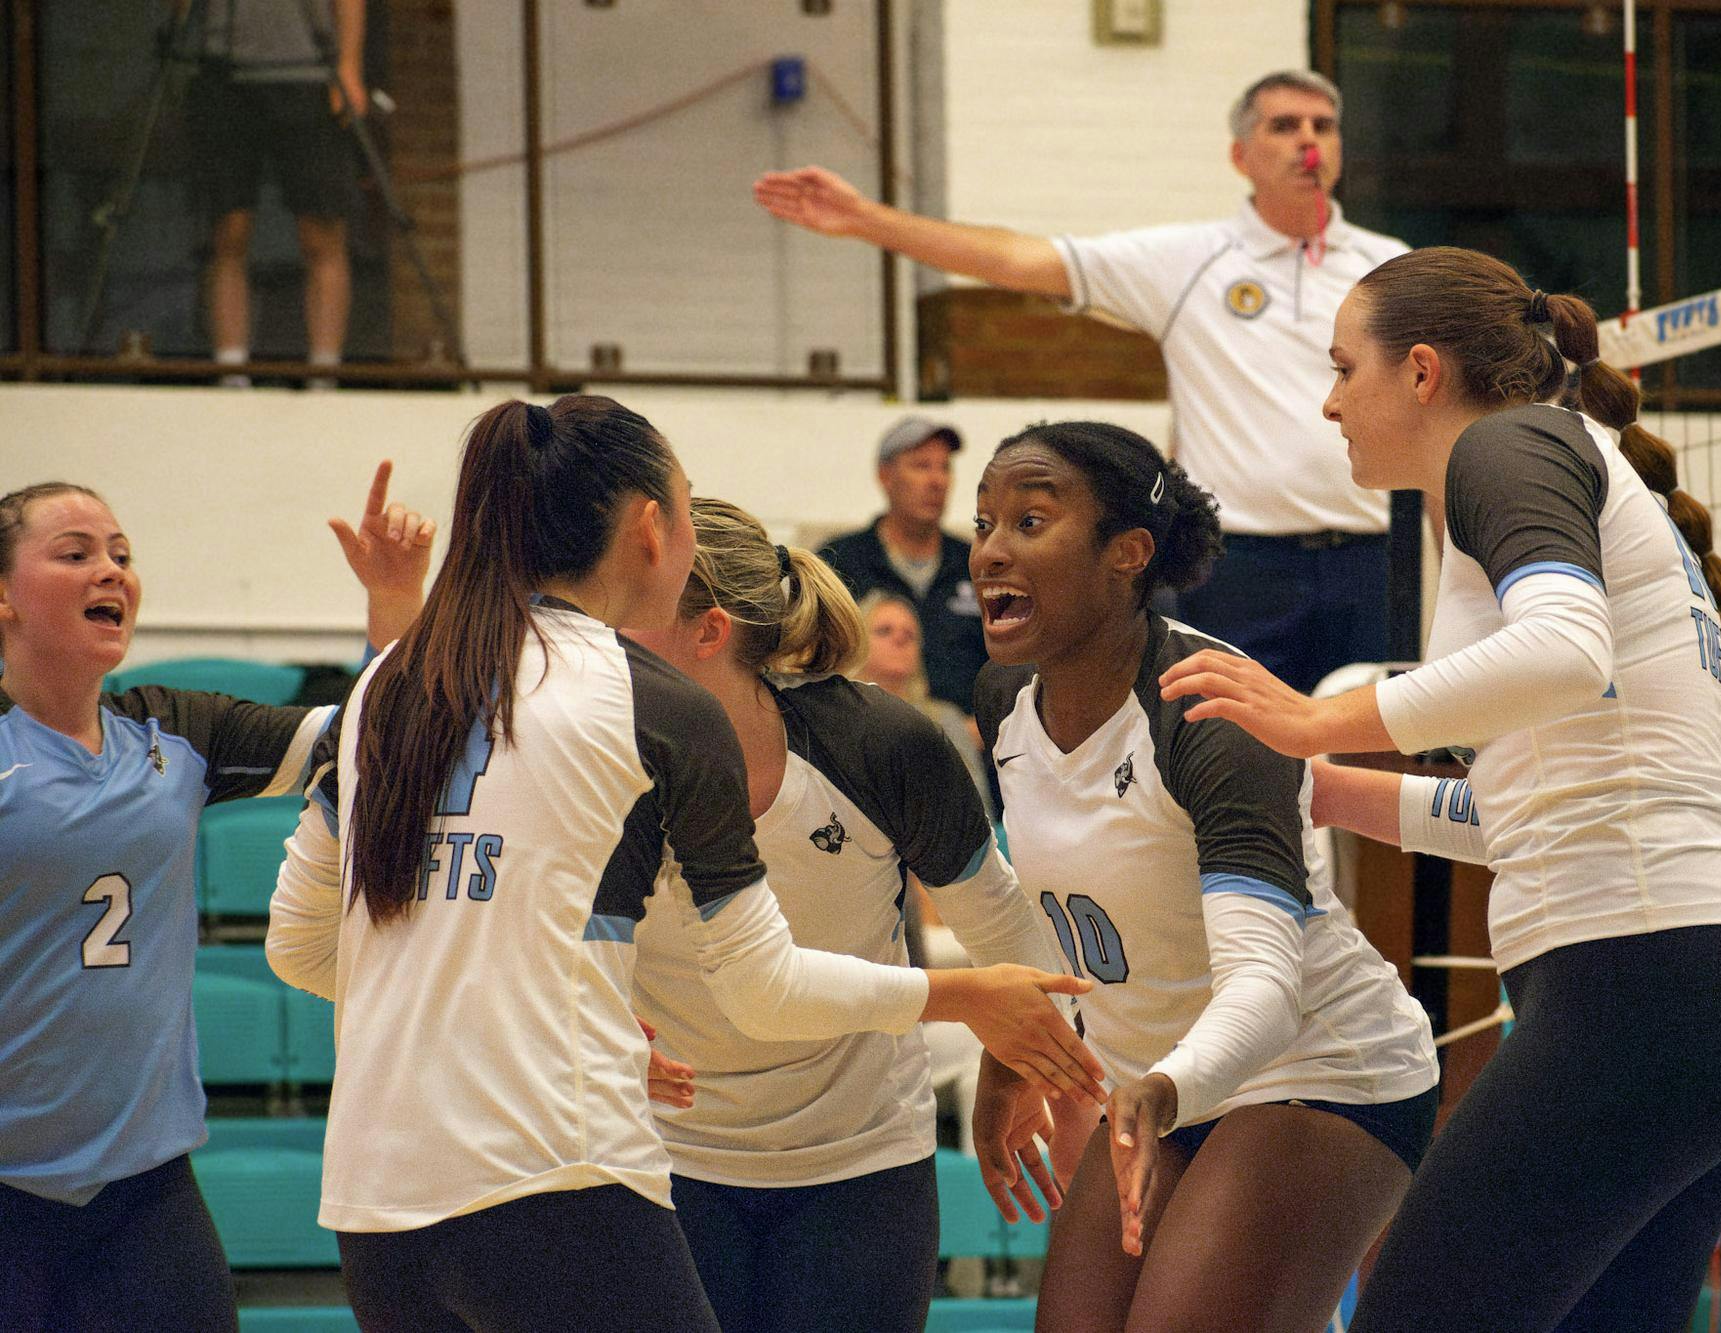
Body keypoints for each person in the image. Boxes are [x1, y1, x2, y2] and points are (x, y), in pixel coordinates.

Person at [263, 396, 1097, 1333]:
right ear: (652, 529)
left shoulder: (393, 678)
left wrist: (567, 1017)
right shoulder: (639, 705)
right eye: (688, 505)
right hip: (569, 1175)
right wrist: (967, 999)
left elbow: (304, 948)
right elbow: (760, 989)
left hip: (382, 1203)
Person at [1160, 248, 1721, 1331]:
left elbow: (1565, 653)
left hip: (1643, 988)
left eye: (1340, 367)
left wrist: (1312, 714)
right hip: (1711, 987)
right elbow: (1532, 810)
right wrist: (1323, 788)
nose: (1326, 401)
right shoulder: (1552, 459)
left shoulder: (1506, 446)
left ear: (1419, 371)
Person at [966, 421, 1440, 1330]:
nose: (990, 550)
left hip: (1319, 1068)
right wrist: (1007, 1061)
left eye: (1029, 522)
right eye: (985, 522)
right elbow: (1045, 915)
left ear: (1127, 553)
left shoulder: (1210, 713)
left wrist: (1162, 1085)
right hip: (1158, 1083)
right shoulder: (1005, 703)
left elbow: (1267, 985)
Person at [758, 70, 1409, 695]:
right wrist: (869, 220)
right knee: (1233, 749)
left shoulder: (1387, 266)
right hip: (1240, 565)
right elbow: (1022, 260)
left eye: (1323, 126)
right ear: (1240, 155)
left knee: (1370, 749)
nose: (1308, 141)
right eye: (1285, 125)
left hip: (1372, 557)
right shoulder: (1192, 259)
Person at [620, 498, 1081, 1333]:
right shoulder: (597, 763)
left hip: (862, 1169)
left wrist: (1008, 1067)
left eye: (626, 615)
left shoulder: (881, 743)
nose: (601, 644)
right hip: (667, 1164)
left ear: (709, 632)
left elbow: (1015, 939)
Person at [0, 464, 430, 1332]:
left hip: (144, 1195)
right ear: (4, 597)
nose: (111, 570)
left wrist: (394, 596)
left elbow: (377, 740)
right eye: (74, 553)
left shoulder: (172, 731)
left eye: (121, 553)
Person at [187, 0, 366, 380]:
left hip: (310, 73)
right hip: (224, 75)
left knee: (322, 231)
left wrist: (349, 66)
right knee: (229, 230)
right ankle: (231, 370)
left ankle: (324, 374)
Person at [817, 417, 988, 714]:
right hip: (864, 725)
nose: (937, 481)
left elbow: (1011, 661)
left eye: (944, 467)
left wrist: (987, 725)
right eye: (921, 466)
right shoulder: (838, 562)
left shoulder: (977, 563)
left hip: (971, 738)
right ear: (885, 476)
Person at [852, 589, 992, 816]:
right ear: (855, 639)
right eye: (884, 631)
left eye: (910, 635)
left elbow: (979, 811)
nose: (899, 639)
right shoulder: (836, 713)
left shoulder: (946, 718)